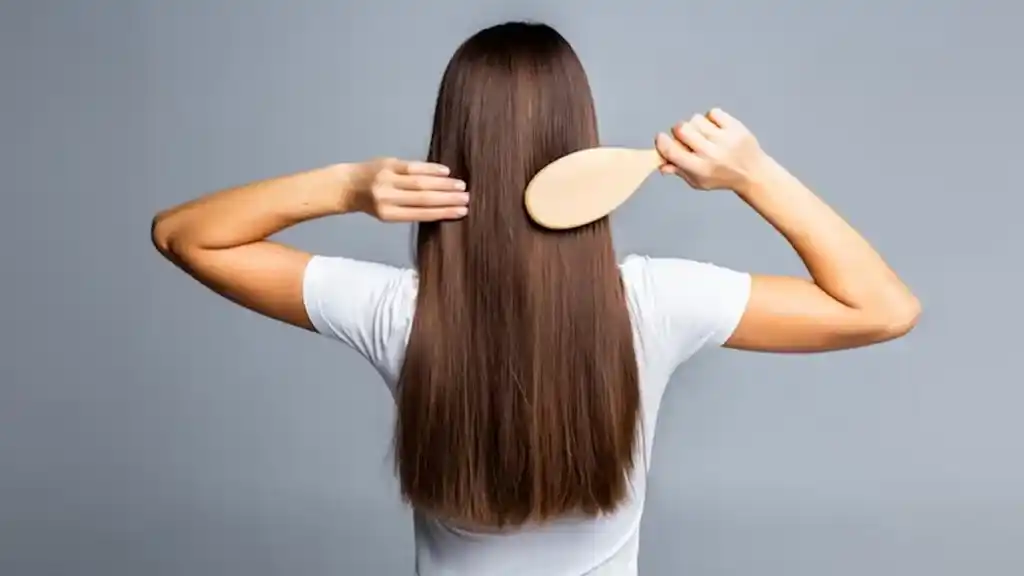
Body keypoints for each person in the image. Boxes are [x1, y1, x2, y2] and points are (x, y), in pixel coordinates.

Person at [151, 21, 920, 576]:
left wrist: (346, 186)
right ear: (578, 137)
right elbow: (882, 308)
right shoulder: (653, 302)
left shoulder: (400, 312)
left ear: (450, 147)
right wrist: (755, 174)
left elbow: (185, 236)